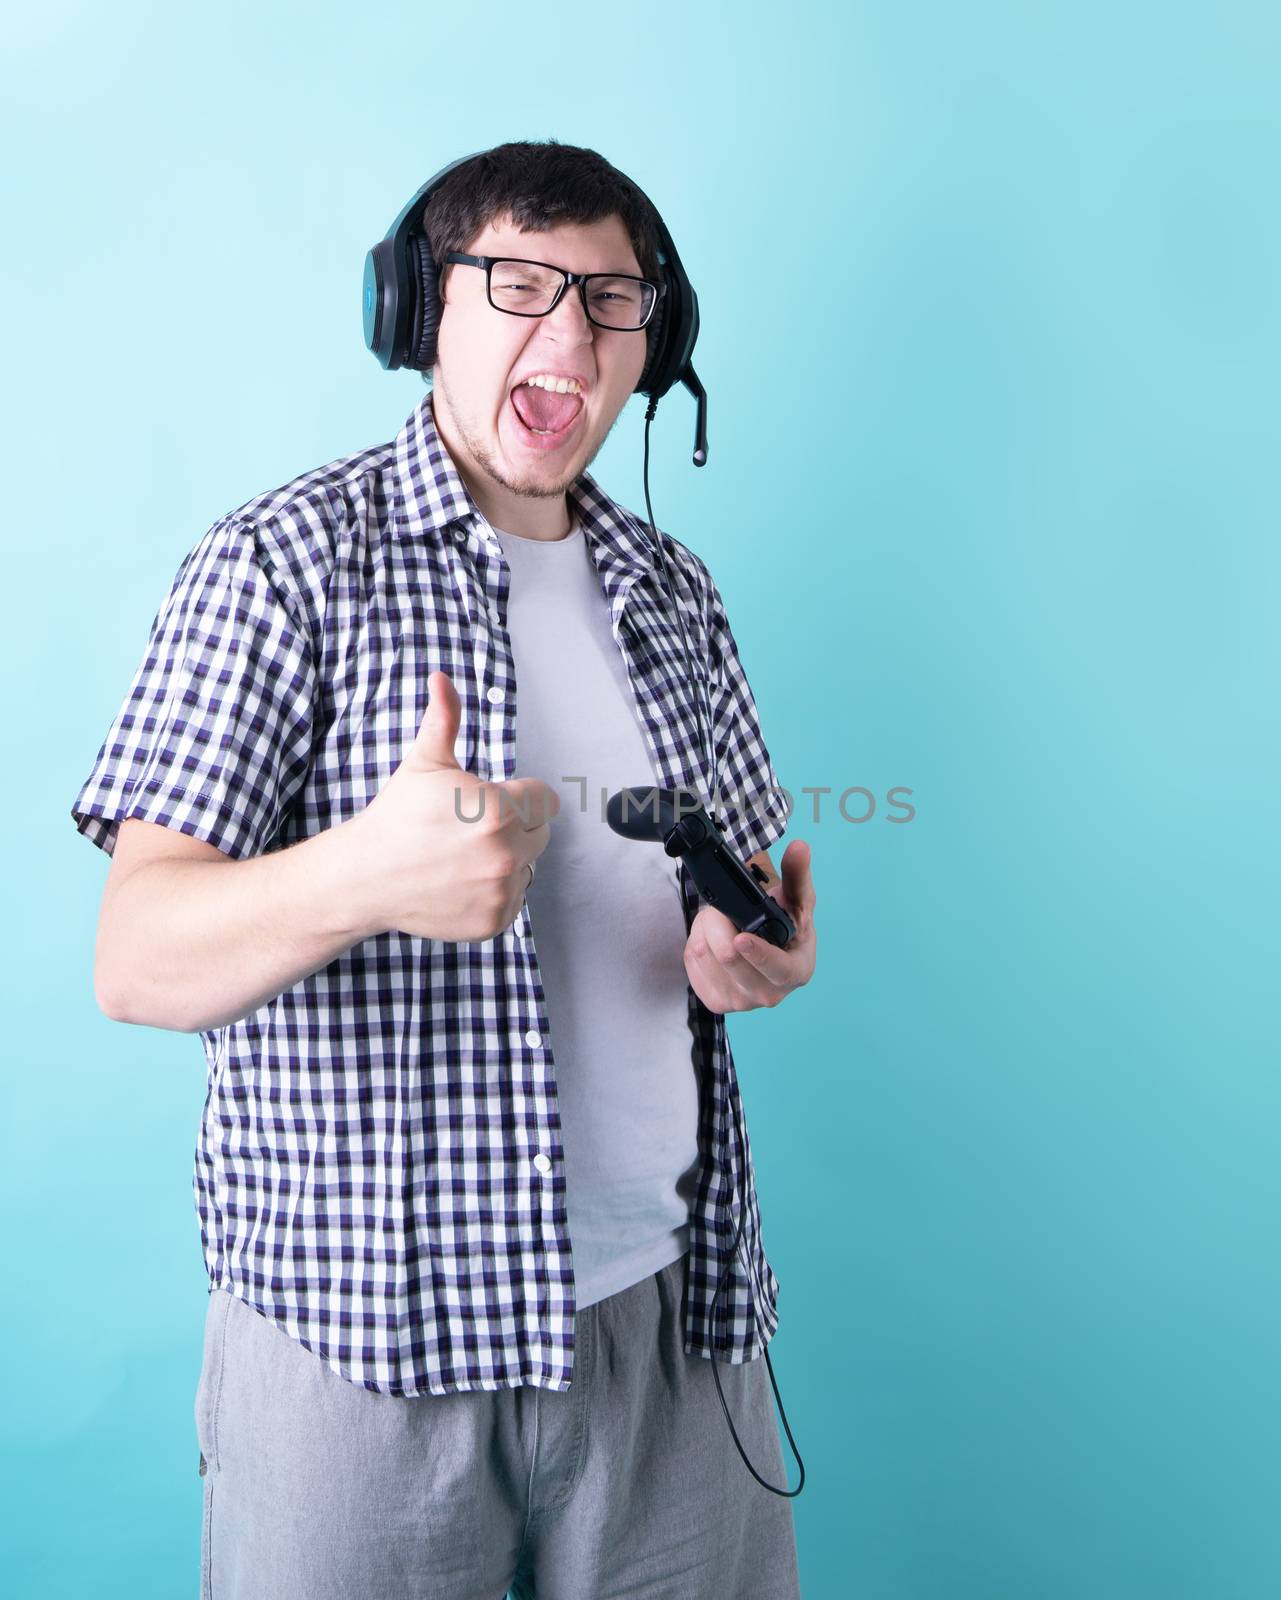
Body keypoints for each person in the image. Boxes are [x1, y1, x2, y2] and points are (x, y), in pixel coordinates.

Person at [71, 139, 817, 1599]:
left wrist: (752, 955)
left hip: (672, 1332)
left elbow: (724, 902)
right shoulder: (281, 565)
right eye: (520, 285)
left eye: (612, 299)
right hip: (367, 1355)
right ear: (422, 313)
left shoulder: (676, 595)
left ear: (653, 345)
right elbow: (134, 959)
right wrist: (360, 875)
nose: (570, 334)